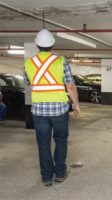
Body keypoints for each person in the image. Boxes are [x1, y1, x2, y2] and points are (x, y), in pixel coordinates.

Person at [23, 29, 80, 187]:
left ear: (37, 45)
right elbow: (70, 86)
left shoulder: (28, 63)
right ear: (52, 44)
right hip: (59, 109)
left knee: (43, 143)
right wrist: (76, 104)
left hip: (38, 110)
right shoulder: (61, 61)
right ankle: (60, 173)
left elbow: (27, 82)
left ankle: (47, 177)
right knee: (61, 140)